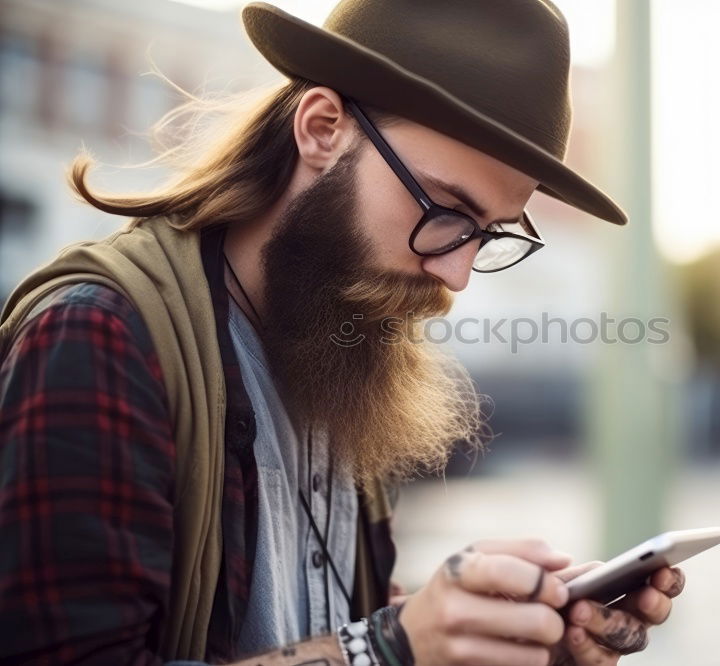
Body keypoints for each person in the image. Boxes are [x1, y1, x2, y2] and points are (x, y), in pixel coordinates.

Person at [0, 1, 685, 664]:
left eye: (487, 234)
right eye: (446, 209)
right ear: (323, 128)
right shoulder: (100, 339)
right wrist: (387, 650)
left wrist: (505, 641)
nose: (455, 274)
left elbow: (315, 617)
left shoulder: (336, 341)